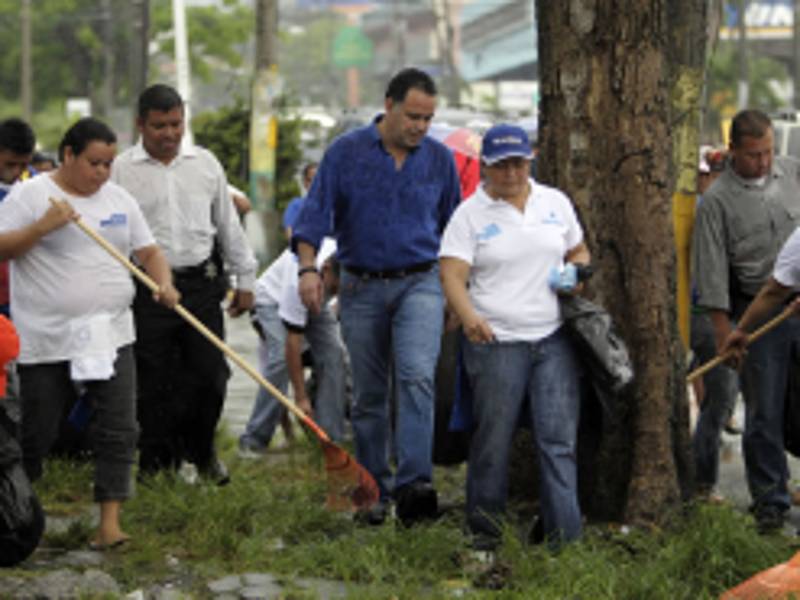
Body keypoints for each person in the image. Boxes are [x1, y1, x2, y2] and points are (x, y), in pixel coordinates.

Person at [0, 117, 179, 549]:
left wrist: (164, 282)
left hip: (112, 332)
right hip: (46, 335)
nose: (102, 173)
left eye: (108, 164)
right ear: (68, 155)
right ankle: (20, 513)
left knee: (120, 426)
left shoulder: (118, 198)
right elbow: (3, 247)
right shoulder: (31, 195)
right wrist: (44, 227)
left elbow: (149, 250)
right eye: (94, 163)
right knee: (36, 430)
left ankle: (110, 524)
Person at [294, 67, 461, 525]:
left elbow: (455, 233)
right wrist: (308, 268)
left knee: (416, 379)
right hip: (361, 285)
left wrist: (456, 293)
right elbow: (312, 219)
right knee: (368, 395)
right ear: (388, 106)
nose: (420, 127)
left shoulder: (439, 160)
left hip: (421, 282)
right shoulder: (345, 154)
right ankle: (373, 491)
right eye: (413, 116)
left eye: (428, 119)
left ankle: (415, 488)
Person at [439, 123, 589, 550]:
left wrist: (575, 273)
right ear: (485, 168)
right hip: (495, 341)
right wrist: (468, 316)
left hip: (552, 338)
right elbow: (451, 272)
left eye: (519, 164)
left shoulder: (554, 202)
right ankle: (484, 538)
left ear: (530, 160)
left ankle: (566, 541)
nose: (511, 173)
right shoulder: (469, 214)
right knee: (492, 440)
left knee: (558, 440)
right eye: (501, 166)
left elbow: (578, 249)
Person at [111, 84, 257, 483]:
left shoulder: (205, 164)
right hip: (147, 287)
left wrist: (246, 279)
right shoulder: (121, 170)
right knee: (154, 379)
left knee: (210, 374)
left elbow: (228, 226)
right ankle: (158, 463)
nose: (169, 134)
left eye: (176, 124)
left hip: (201, 285)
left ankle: (202, 450)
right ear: (141, 124)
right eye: (159, 126)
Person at [692, 109, 800, 533]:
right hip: (758, 311)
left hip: (798, 298)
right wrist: (726, 332)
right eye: (754, 155)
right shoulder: (717, 202)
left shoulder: (793, 173)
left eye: (769, 152)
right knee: (764, 408)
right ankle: (770, 498)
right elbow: (713, 271)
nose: (764, 162)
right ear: (733, 151)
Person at [239, 239, 347, 456]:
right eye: (334, 289)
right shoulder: (297, 283)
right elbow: (292, 344)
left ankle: (329, 440)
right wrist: (300, 397)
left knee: (335, 353)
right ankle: (253, 440)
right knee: (279, 359)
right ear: (325, 271)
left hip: (315, 298)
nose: (335, 294)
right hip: (272, 300)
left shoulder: (346, 258)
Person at [689, 145, 740, 503]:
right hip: (707, 316)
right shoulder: (707, 210)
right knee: (720, 400)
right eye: (708, 174)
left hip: (711, 314)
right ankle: (703, 483)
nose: (711, 180)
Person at [0, 118, 36, 319]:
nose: (16, 171)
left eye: (23, 164)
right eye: (10, 164)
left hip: (23, 297)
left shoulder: (34, 184)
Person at [282, 162, 317, 238]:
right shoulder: (295, 205)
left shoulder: (335, 206)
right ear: (305, 182)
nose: (314, 184)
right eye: (310, 180)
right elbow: (289, 231)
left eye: (318, 180)